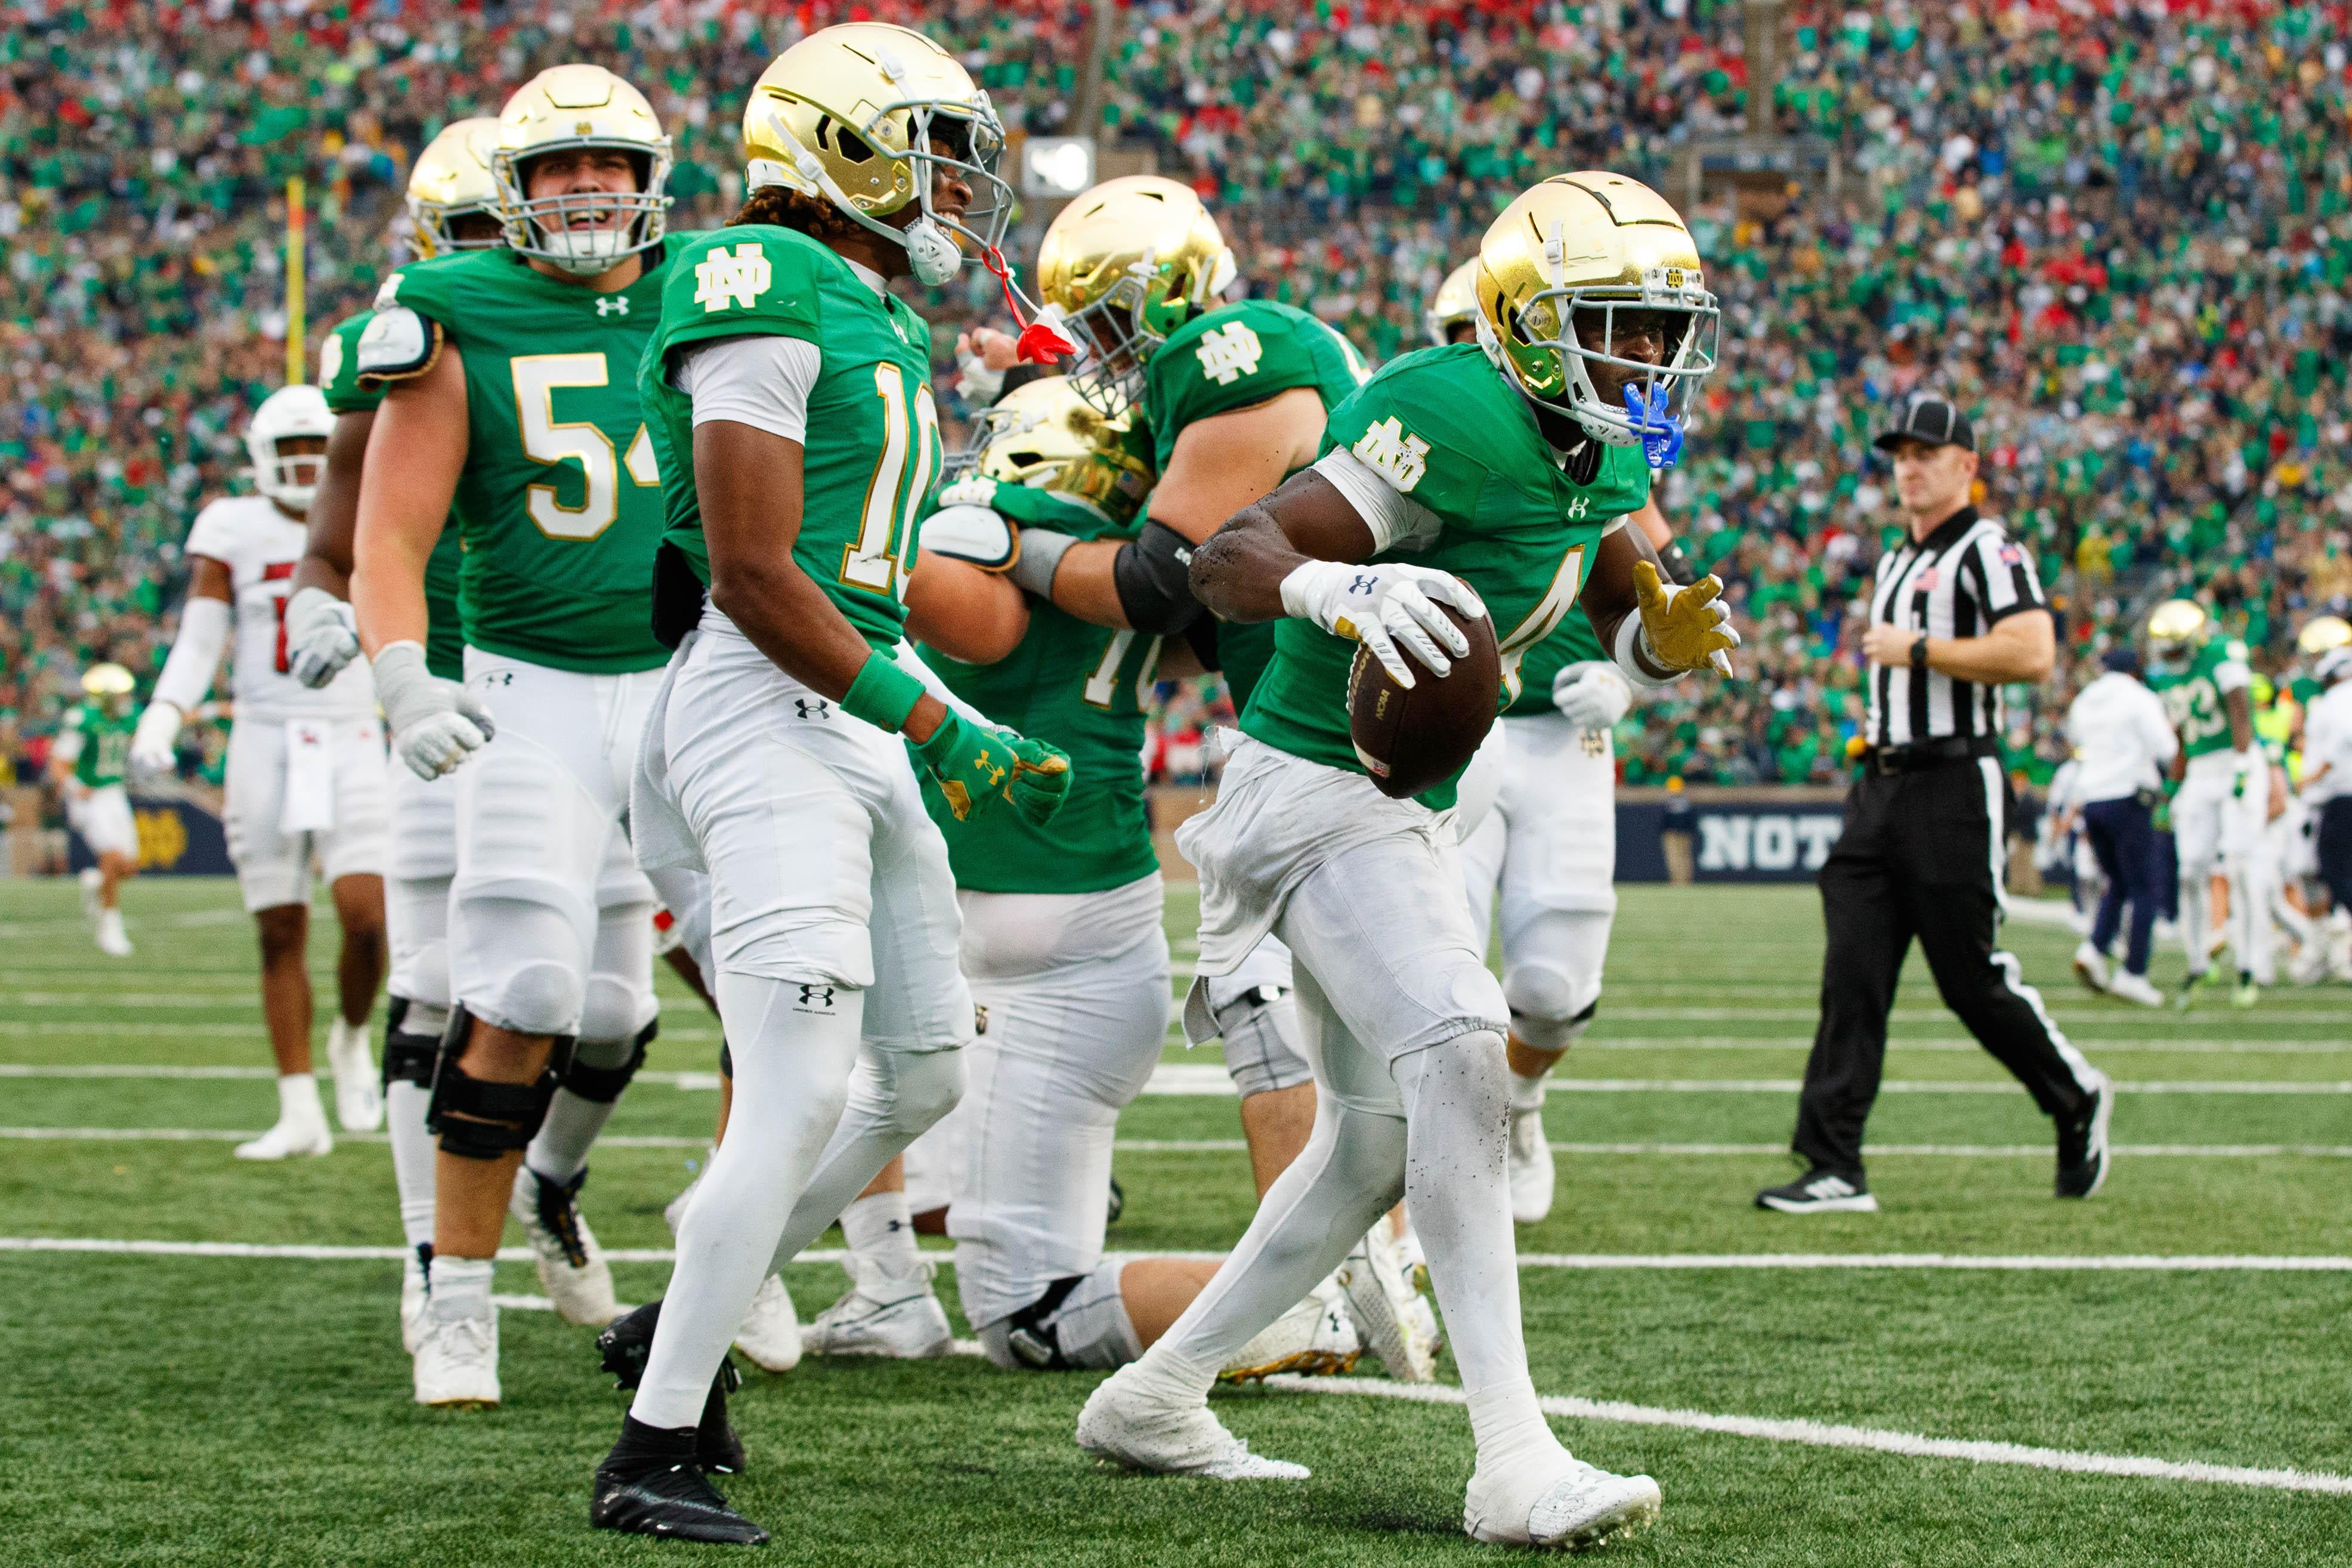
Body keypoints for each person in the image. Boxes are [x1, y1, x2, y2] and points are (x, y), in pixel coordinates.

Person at [1078, 171, 1734, 1552]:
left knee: (1373, 1140)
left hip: (1403, 798)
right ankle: (1509, 1455)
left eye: (1662, 328)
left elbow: (1614, 596)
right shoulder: (1447, 404)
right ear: (1525, 322)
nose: (1644, 357)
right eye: (1615, 323)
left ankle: (1158, 1390)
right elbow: (1232, 552)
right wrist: (1337, 584)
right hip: (1314, 779)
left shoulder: (1597, 445)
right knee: (1456, 1041)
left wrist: (1650, 646)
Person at [586, 25, 1071, 1544]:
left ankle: (692, 1296)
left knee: (921, 1068)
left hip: (842, 704)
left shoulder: (871, 309)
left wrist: (921, 711)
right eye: (930, 148)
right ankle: (656, 1438)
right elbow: (749, 571)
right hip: (767, 707)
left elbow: (850, 593)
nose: (954, 184)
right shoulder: (761, 279)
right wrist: (938, 726)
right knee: (797, 1085)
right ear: (838, 148)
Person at [972, 174, 1438, 1371]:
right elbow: (1193, 628)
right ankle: (1380, 1246)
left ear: (1172, 290)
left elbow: (1153, 579)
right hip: (1337, 704)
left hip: (1333, 728)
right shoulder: (1241, 363)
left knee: (1254, 981)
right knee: (1329, 1005)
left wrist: (1011, 541)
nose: (1107, 352)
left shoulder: (1237, 351)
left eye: (1113, 321)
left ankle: (1332, 1270)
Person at [900, 374, 1359, 1378]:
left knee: (1025, 1309)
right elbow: (1193, 623)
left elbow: (910, 596)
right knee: (881, 1104)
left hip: (1039, 939)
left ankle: (1301, 1300)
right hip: (1091, 925)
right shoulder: (1111, 567)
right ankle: (881, 1286)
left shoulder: (991, 528)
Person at [351, 63, 679, 1405]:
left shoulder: (717, 286)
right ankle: (455, 1291)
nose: (586, 188)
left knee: (710, 997)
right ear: (517, 191)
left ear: (653, 179)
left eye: (608, 164)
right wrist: (398, 675)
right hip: (527, 686)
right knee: (527, 994)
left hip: (688, 685)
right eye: (556, 170)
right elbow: (387, 532)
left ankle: (742, 1259)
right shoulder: (449, 306)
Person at [1759, 395, 2109, 1214]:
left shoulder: (1987, 550)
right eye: (1900, 454)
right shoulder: (1892, 560)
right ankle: (1832, 1161)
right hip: (1879, 786)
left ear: (1966, 465)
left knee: (1969, 977)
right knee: (1852, 971)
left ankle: (2073, 1095)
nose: (1909, 467)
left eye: (1927, 452)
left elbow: (2033, 652)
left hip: (1954, 785)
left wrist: (1918, 649)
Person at [280, 117, 506, 1351]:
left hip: (591, 688)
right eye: (463, 235)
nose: (486, 258)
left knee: (609, 1007)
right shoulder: (396, 340)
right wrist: (325, 605)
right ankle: (435, 1259)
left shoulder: (624, 312)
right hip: (439, 693)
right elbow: (335, 540)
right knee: (430, 984)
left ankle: (559, 1195)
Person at [1433, 260, 1704, 1224]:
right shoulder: (1431, 437)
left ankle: (1522, 1100)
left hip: (1559, 737)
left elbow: (1684, 611)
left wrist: (1631, 675)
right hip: (1453, 740)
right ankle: (1441, 1168)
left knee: (1549, 986)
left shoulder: (1604, 454)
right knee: (1443, 974)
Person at [131, 385, 390, 1158]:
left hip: (350, 731)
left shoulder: (369, 504)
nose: (308, 466)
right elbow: (200, 637)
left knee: (367, 917)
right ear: (261, 459)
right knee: (279, 927)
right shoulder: (230, 525)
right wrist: (164, 712)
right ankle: (298, 1105)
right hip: (264, 735)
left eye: (319, 449)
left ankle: (350, 1034)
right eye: (293, 452)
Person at [2143, 599, 2269, 1005]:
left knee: (2239, 865)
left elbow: (2240, 710)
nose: (2170, 653)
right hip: (2198, 770)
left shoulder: (2219, 654)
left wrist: (2241, 764)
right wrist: (2171, 788)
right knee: (2190, 870)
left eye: (2176, 644)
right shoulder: (2165, 677)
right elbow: (2182, 737)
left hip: (2234, 760)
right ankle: (2198, 962)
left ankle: (2249, 965)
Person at [2063, 647, 2176, 1006]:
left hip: (2092, 797)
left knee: (2120, 882)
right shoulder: (2139, 698)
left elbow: (2077, 741)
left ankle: (2095, 949)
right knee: (2145, 887)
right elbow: (2166, 747)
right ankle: (2134, 972)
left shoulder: (2084, 700)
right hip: (2128, 795)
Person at [52, 663, 141, 956]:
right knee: (112, 857)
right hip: (91, 798)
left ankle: (96, 882)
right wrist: (76, 788)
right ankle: (110, 926)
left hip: (115, 794)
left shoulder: (126, 718)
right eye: (120, 694)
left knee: (128, 867)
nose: (125, 699)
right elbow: (59, 764)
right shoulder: (83, 719)